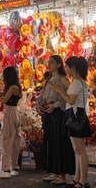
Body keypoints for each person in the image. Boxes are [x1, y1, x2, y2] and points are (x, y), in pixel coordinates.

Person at [52, 56, 93, 188]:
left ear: (73, 68)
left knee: (79, 150)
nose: (66, 70)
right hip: (77, 115)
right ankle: (77, 178)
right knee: (77, 150)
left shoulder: (76, 83)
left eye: (68, 67)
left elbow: (70, 100)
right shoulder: (80, 82)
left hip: (74, 116)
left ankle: (82, 180)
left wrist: (59, 90)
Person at [38, 55, 75, 184]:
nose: (50, 64)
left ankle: (62, 174)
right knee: (50, 142)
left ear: (59, 65)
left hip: (58, 113)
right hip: (48, 112)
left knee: (59, 142)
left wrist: (55, 105)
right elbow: (43, 95)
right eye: (49, 62)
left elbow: (69, 98)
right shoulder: (48, 79)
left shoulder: (63, 79)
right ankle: (54, 171)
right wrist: (40, 105)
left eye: (52, 62)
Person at [0, 66, 23, 178]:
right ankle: (14, 166)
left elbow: (4, 101)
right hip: (15, 112)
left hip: (10, 112)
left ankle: (5, 168)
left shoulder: (11, 87)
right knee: (15, 139)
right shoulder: (17, 87)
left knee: (6, 139)